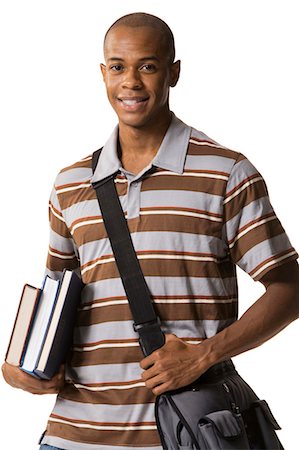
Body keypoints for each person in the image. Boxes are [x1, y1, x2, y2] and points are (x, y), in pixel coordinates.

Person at [2, 12, 299, 450]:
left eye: (148, 65)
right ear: (103, 74)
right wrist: (18, 362)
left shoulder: (226, 173)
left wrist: (205, 355)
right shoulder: (70, 184)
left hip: (186, 433)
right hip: (75, 434)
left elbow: (290, 286)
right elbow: (56, 297)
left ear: (173, 71)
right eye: (118, 67)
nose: (131, 83)